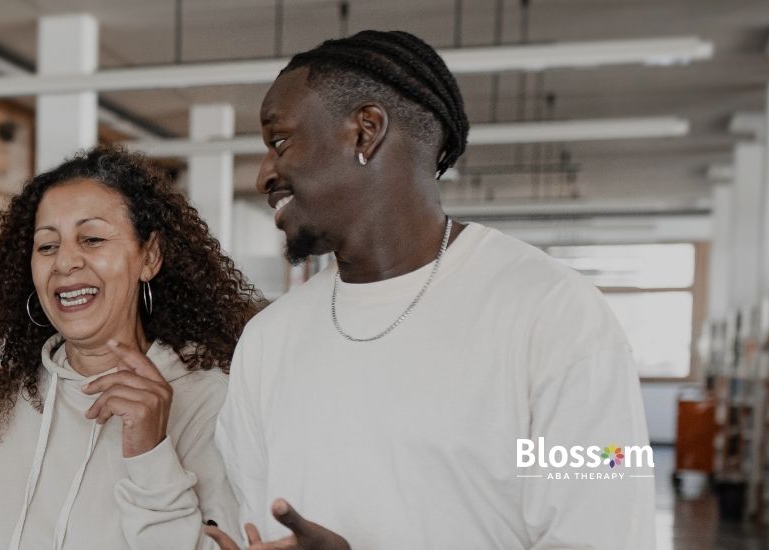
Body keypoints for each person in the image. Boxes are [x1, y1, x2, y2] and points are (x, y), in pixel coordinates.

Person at [208, 30, 654, 549]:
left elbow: (606, 535)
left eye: (280, 141)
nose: (265, 174)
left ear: (365, 131)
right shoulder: (267, 341)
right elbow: (257, 525)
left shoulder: (555, 314)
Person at [0, 147, 263, 550]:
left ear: (149, 256)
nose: (66, 262)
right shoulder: (16, 396)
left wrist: (151, 455)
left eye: (92, 239)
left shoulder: (209, 399)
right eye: (47, 246)